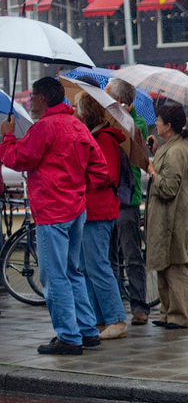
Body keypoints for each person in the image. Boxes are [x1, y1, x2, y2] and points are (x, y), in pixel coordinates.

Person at [0, 77, 109, 355]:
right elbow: (100, 169)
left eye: (33, 96)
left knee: (54, 276)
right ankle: (87, 330)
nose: (30, 101)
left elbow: (18, 158)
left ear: (43, 98)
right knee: (74, 271)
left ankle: (68, 337)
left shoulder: (45, 128)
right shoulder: (77, 126)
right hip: (76, 209)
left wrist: (8, 136)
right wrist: (78, 187)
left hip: (51, 210)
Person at [71, 91, 129, 340]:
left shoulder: (103, 139)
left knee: (98, 266)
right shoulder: (95, 137)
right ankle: (96, 318)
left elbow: (105, 175)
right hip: (90, 210)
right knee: (86, 267)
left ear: (85, 113)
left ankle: (116, 319)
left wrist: (80, 173)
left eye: (77, 109)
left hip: (98, 210)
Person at [145, 104, 188, 330]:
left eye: (159, 120)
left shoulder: (176, 150)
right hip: (165, 216)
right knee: (163, 263)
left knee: (175, 263)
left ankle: (180, 314)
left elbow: (168, 187)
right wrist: (156, 152)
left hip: (173, 217)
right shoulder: (173, 147)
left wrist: (151, 172)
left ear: (169, 125)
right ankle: (168, 312)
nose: (155, 123)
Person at [105, 78, 151, 326]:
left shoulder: (138, 124)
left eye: (108, 93)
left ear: (120, 101)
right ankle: (115, 304)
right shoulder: (107, 121)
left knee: (131, 254)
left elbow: (135, 151)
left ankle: (139, 305)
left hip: (127, 197)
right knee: (110, 255)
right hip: (108, 197)